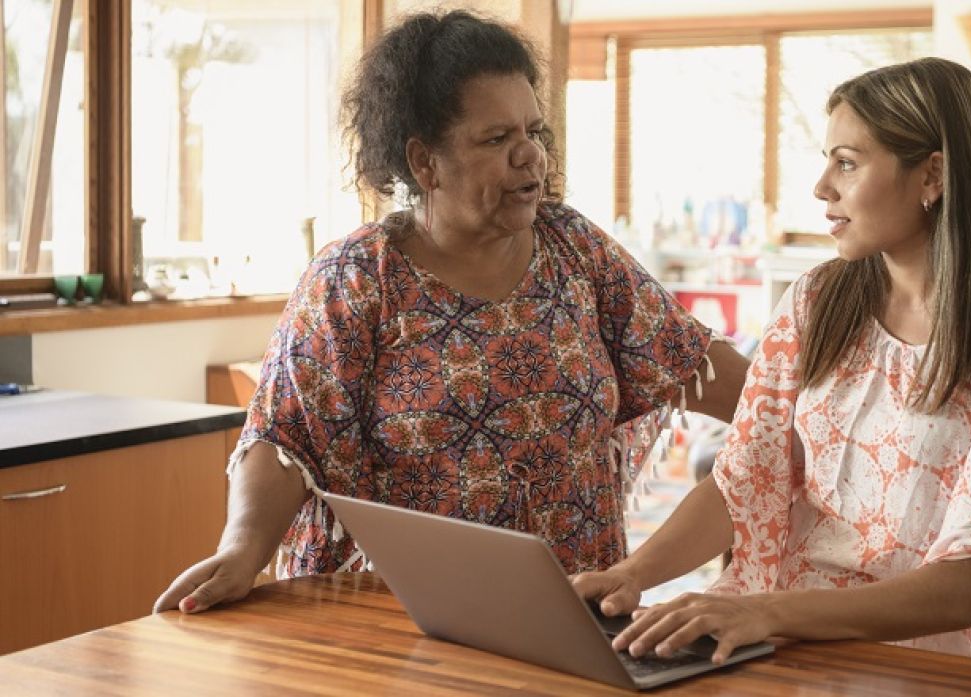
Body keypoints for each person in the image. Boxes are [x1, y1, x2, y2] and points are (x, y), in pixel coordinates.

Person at [154, 9, 747, 615]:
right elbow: (285, 436)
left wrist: (822, 420)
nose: (530, 157)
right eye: (497, 139)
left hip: (571, 620)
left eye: (534, 133)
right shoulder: (357, 278)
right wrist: (241, 550)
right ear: (423, 162)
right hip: (396, 625)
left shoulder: (576, 249)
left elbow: (723, 381)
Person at [573, 57, 971, 668]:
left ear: (933, 176)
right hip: (784, 642)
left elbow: (963, 588)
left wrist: (764, 611)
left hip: (937, 663)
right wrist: (633, 575)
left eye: (847, 162)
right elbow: (744, 480)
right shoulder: (816, 302)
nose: (821, 187)